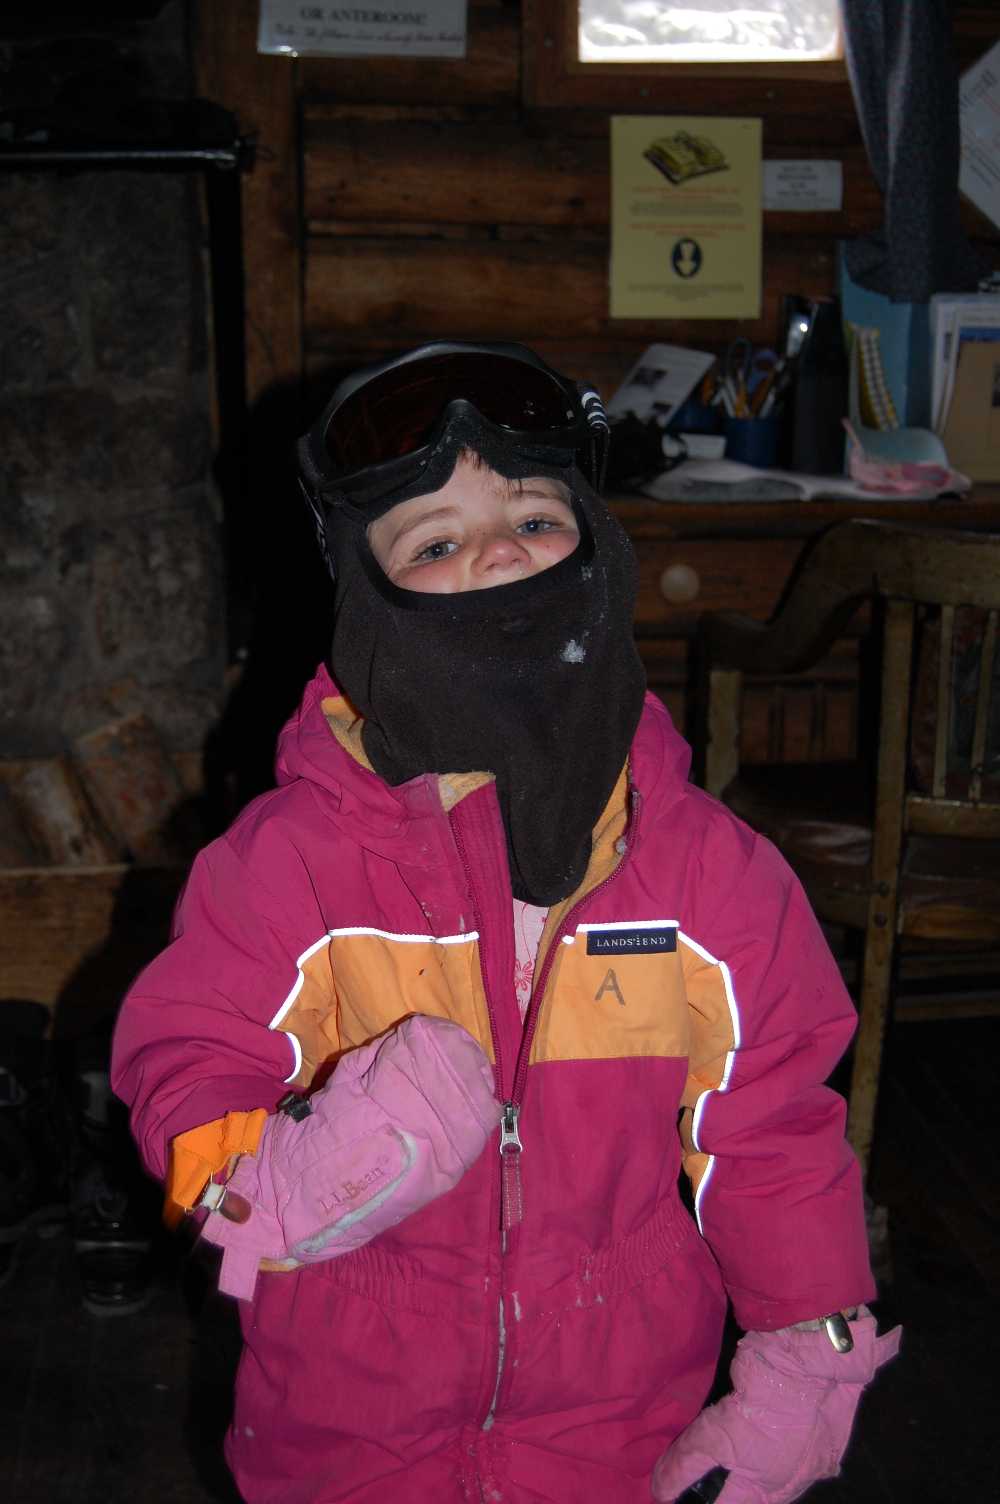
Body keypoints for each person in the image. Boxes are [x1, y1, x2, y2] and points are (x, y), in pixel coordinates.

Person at [111, 340, 899, 1504]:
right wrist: (282, 1182)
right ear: (366, 601)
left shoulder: (709, 874)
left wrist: (804, 1361)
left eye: (533, 518)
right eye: (433, 543)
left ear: (597, 550)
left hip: (617, 1431)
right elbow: (186, 1064)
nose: (495, 551)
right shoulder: (291, 865)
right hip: (346, 1427)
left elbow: (775, 1132)